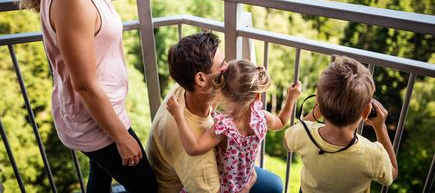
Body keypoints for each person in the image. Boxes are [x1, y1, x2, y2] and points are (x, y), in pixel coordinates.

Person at [19, 0, 183, 192]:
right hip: (98, 122)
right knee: (148, 187)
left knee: (99, 178)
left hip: (97, 114)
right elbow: (84, 83)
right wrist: (122, 137)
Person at [145, 32, 285, 193]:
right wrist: (247, 186)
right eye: (221, 65)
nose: (227, 68)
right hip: (187, 186)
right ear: (201, 79)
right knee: (273, 187)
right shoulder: (198, 158)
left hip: (214, 167)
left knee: (274, 183)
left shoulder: (184, 87)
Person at [167, 59, 302, 193]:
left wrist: (178, 115)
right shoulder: (263, 118)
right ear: (257, 96)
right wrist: (291, 98)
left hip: (226, 189)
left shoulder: (224, 129)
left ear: (222, 92)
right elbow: (282, 122)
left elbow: (193, 148)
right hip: (245, 180)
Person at [284, 56, 398, 193]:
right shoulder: (373, 155)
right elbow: (392, 173)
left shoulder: (304, 132)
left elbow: (286, 143)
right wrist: (381, 128)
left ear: (318, 100)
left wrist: (317, 111)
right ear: (366, 111)